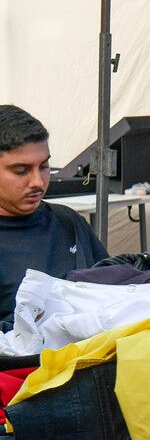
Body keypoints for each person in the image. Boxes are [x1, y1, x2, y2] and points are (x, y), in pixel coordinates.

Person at [0, 106, 107, 327]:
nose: (38, 182)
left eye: (44, 166)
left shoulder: (68, 222)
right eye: (21, 170)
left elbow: (108, 292)